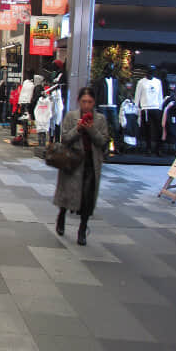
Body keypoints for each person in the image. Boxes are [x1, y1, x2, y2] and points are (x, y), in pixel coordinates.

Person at [54, 86, 109, 246]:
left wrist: (91, 129)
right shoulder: (71, 117)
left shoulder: (100, 120)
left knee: (87, 198)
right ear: (79, 101)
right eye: (84, 101)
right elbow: (64, 138)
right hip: (72, 161)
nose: (86, 105)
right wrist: (77, 129)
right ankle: (61, 216)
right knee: (67, 193)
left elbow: (102, 141)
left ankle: (82, 229)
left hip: (91, 163)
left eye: (90, 102)